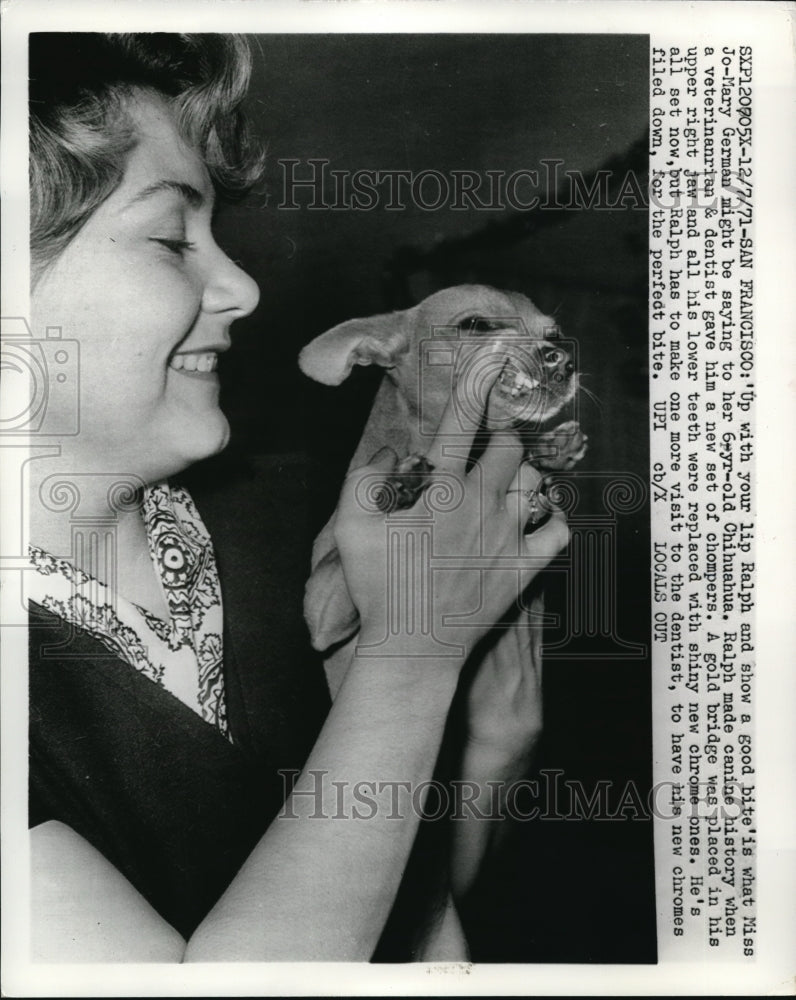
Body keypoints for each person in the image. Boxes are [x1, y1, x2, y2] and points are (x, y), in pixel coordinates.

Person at [26, 32, 570, 962]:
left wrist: (496, 750)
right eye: (169, 237)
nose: (241, 283)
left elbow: (410, 923)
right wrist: (413, 660)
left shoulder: (306, 522)